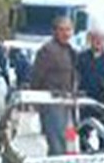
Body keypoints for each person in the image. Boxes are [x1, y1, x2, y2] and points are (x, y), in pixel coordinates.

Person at [29, 17, 78, 155]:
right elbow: (36, 77)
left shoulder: (71, 51)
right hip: (52, 102)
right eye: (62, 29)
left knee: (70, 140)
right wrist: (36, 100)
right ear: (55, 31)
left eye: (68, 29)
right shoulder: (47, 51)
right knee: (57, 141)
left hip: (69, 103)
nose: (65, 33)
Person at [75, 30, 104, 150]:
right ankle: (84, 152)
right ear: (90, 41)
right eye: (95, 39)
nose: (98, 42)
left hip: (103, 99)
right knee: (84, 128)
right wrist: (75, 89)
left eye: (101, 40)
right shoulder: (82, 57)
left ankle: (103, 152)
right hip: (86, 98)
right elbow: (75, 74)